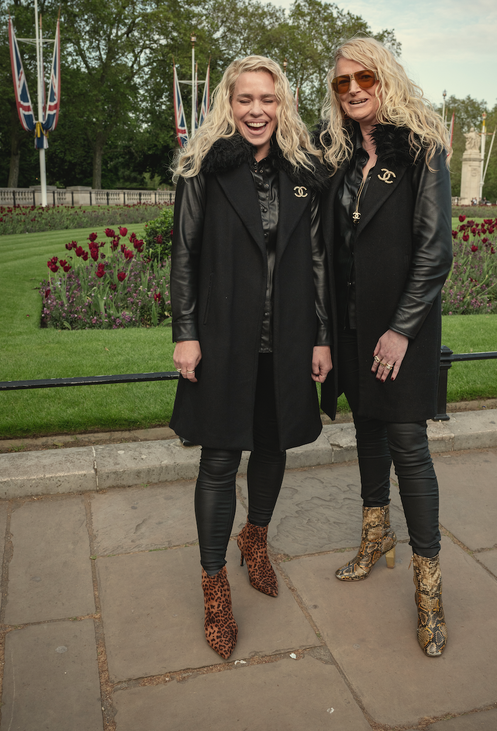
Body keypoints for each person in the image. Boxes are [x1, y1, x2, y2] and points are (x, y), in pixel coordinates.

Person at [170, 56, 332, 660]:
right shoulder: (201, 169)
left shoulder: (302, 172)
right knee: (218, 457)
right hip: (223, 335)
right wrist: (186, 332)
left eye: (267, 99)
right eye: (245, 100)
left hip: (287, 337)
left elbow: (315, 258)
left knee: (272, 444)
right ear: (228, 103)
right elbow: (184, 255)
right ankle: (215, 587)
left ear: (281, 103)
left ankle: (254, 539)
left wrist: (320, 336)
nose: (256, 111)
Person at [317, 37, 453, 657]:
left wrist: (401, 329)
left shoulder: (421, 149)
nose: (353, 90)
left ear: (385, 78)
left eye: (362, 77)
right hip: (352, 325)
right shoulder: (339, 156)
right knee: (366, 430)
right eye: (342, 82)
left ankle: (429, 591)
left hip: (403, 328)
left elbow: (434, 250)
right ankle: (377, 537)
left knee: (406, 443)